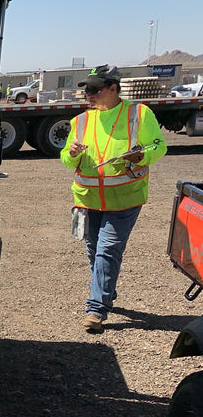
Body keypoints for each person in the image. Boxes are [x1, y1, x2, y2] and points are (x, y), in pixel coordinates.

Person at [60, 64, 167, 333]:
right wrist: (71, 152)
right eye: (86, 90)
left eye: (95, 89)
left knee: (108, 249)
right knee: (93, 249)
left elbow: (159, 145)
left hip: (124, 198)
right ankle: (106, 290)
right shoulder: (81, 121)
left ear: (113, 89)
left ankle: (96, 308)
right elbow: (66, 158)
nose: (89, 94)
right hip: (87, 198)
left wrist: (141, 155)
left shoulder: (138, 114)